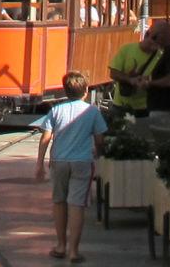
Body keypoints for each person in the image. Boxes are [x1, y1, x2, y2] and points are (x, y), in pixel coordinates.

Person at [32, 70, 107, 264]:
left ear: (65, 91)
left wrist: (39, 163)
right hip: (82, 162)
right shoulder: (92, 112)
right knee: (76, 205)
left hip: (59, 162)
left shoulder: (56, 110)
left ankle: (60, 246)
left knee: (59, 202)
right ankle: (74, 251)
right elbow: (100, 138)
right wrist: (99, 152)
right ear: (86, 91)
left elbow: (45, 138)